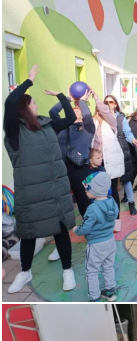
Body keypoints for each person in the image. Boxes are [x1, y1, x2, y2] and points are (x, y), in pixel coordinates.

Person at [3, 65, 79, 294]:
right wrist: (28, 81)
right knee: (28, 234)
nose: (37, 105)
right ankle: (25, 272)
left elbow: (71, 118)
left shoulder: (47, 125)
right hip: (31, 195)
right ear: (25, 108)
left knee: (60, 232)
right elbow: (9, 103)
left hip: (54, 192)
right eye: (33, 102)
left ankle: (68, 271)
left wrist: (62, 96)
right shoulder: (14, 132)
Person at [75, 160, 119, 302]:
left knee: (92, 271)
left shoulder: (92, 208)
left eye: (88, 188)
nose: (86, 191)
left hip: (95, 244)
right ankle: (110, 291)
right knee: (108, 266)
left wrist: (76, 230)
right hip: (110, 241)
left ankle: (94, 297)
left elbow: (86, 227)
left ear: (96, 190)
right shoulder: (112, 202)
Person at [49, 86, 96, 217]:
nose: (75, 111)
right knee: (62, 200)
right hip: (62, 168)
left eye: (78, 110)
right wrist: (67, 99)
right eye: (72, 110)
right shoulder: (61, 127)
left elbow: (87, 115)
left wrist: (82, 101)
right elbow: (53, 112)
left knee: (84, 199)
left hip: (80, 168)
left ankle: (90, 223)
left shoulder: (87, 128)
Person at [94, 94, 135, 221]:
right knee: (107, 186)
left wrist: (133, 140)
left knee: (126, 179)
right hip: (103, 157)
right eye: (106, 102)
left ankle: (131, 202)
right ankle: (107, 213)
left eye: (111, 102)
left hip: (120, 151)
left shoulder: (118, 118)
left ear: (115, 104)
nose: (108, 104)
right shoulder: (98, 119)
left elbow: (127, 132)